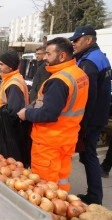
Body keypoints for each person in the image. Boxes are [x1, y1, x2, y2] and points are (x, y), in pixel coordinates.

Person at [17, 37, 89, 192]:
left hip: (49, 142)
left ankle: (48, 214)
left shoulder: (59, 80)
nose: (45, 58)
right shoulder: (79, 73)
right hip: (67, 137)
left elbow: (49, 113)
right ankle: (61, 206)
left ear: (62, 56)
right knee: (61, 177)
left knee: (44, 186)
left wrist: (27, 113)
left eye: (48, 54)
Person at [69, 25, 112, 204]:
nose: (73, 44)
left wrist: (82, 125)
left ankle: (95, 197)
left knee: (89, 156)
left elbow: (88, 97)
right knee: (88, 156)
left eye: (76, 40)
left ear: (88, 40)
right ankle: (94, 195)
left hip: (91, 118)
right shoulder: (99, 57)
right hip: (100, 115)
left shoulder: (89, 63)